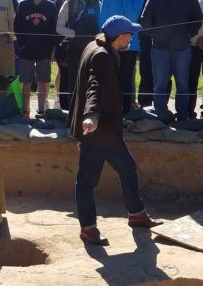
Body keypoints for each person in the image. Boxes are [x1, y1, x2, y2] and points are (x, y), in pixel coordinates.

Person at [68, 15, 162, 246]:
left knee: (127, 167)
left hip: (107, 130)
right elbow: (95, 85)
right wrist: (91, 115)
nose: (132, 37)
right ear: (121, 37)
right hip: (97, 130)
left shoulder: (96, 45)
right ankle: (88, 229)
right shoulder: (101, 55)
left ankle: (136, 214)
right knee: (87, 181)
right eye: (131, 34)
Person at [139, 0, 201, 118]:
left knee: (182, 85)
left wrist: (188, 34)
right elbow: (145, 20)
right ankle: (160, 115)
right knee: (159, 85)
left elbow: (197, 19)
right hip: (159, 48)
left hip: (182, 49)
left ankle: (182, 115)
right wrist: (154, 34)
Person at [98, 0, 144, 113]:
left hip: (131, 45)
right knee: (110, 77)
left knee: (126, 79)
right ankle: (109, 109)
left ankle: (125, 112)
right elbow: (102, 22)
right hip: (111, 44)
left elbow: (132, 17)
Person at [15, 0, 59, 117]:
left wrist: (50, 48)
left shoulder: (50, 6)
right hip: (26, 50)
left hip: (43, 50)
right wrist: (21, 45)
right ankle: (25, 110)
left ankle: (41, 110)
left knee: (42, 81)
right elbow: (17, 27)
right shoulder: (23, 5)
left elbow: (53, 29)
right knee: (26, 81)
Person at [57, 0, 100, 112]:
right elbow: (59, 28)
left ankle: (90, 114)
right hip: (74, 49)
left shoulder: (96, 2)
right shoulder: (68, 3)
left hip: (94, 49)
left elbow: (101, 24)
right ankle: (73, 116)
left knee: (92, 82)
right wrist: (76, 34)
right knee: (74, 84)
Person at [53, 0, 75, 110]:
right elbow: (54, 26)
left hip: (77, 42)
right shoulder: (57, 2)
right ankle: (60, 101)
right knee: (62, 73)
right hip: (61, 44)